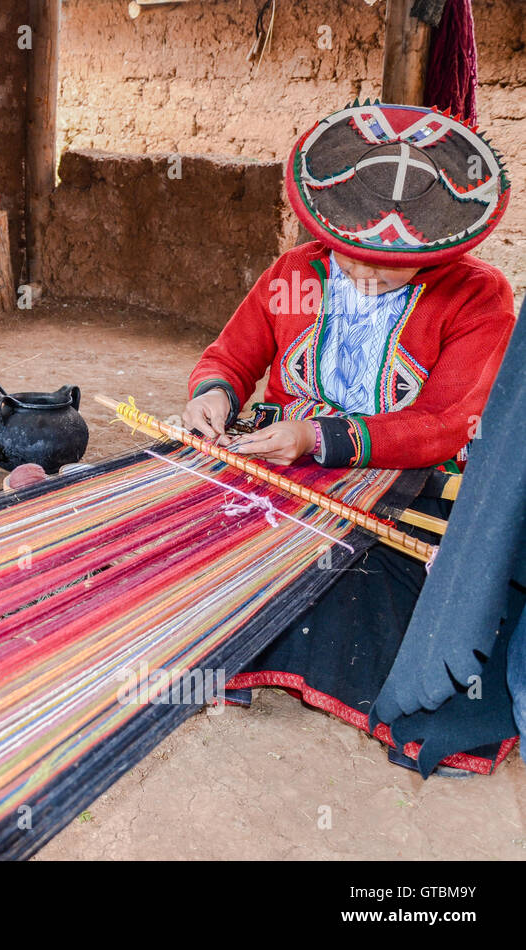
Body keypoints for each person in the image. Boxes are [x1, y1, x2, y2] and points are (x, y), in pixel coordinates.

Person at [180, 102, 517, 773]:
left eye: (386, 267)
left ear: (438, 247)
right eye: (351, 257)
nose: (362, 275)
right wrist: (212, 395)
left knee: (375, 574)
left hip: (404, 473)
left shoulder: (480, 297)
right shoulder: (293, 275)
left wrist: (320, 437)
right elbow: (232, 356)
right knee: (186, 529)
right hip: (285, 451)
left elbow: (449, 423)